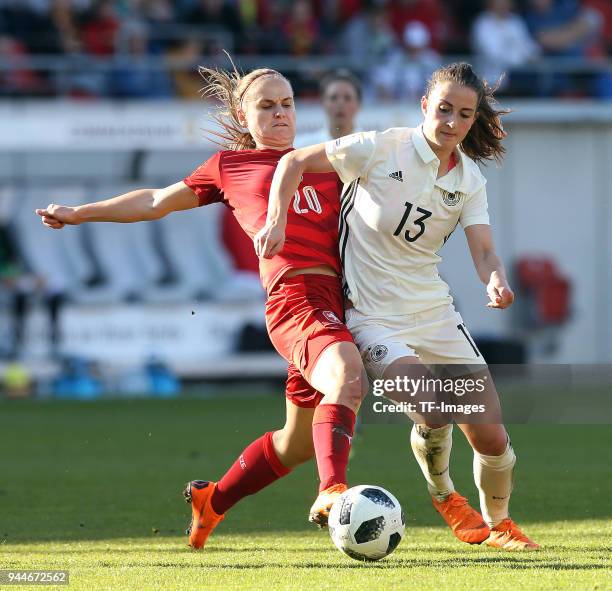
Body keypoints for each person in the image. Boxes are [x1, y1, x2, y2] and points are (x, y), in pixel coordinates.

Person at [35, 66, 366, 549]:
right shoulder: (229, 167)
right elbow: (153, 201)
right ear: (242, 114)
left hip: (338, 303)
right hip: (294, 299)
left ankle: (212, 501)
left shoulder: (323, 160)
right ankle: (332, 491)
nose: (280, 113)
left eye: (288, 103)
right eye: (266, 105)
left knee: (295, 444)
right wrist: (79, 213)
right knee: (347, 374)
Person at [256, 62, 539, 551]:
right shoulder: (379, 147)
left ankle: (501, 526)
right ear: (425, 106)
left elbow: (485, 251)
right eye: (444, 108)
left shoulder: (469, 179)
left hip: (434, 314)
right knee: (432, 408)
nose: (451, 122)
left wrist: (496, 281)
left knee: (492, 437)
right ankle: (444, 494)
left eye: (463, 114)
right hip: (372, 318)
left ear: (473, 121)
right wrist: (276, 219)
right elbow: (292, 163)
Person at [295, 69, 362, 148]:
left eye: (347, 98)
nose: (340, 104)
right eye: (333, 98)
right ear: (322, 102)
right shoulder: (304, 148)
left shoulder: (373, 147)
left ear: (359, 104)